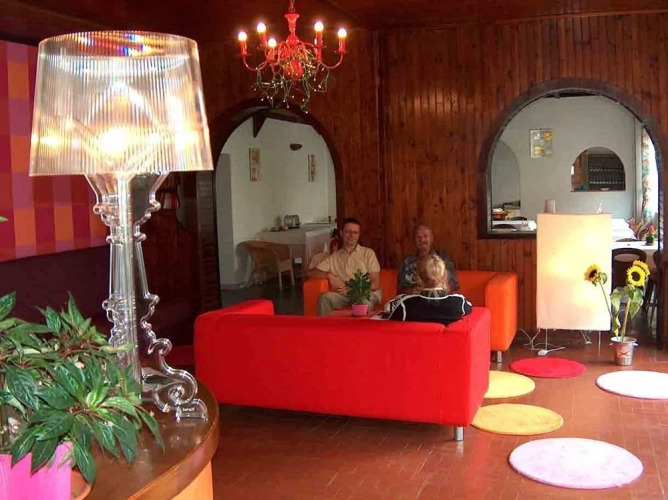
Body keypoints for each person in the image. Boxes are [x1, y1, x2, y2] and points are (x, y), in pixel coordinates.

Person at [308, 217, 382, 316]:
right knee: (324, 298)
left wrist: (352, 290)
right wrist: (329, 275)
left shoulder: (368, 253)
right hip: (344, 295)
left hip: (366, 294)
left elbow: (375, 284)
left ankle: (361, 327)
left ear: (359, 235)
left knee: (363, 302)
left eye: (355, 232)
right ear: (341, 233)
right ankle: (326, 326)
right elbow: (310, 272)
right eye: (348, 232)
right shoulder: (334, 257)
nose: (351, 235)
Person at [387, 254, 472, 326]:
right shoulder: (459, 302)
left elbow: (390, 324)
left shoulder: (405, 305)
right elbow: (470, 310)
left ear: (418, 279)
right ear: (445, 277)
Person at [397, 223, 459, 294]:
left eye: (425, 236)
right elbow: (400, 290)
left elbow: (454, 285)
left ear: (431, 238)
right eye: (418, 237)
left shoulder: (443, 259)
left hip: (439, 298)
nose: (422, 240)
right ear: (414, 240)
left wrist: (437, 290)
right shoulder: (406, 262)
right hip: (415, 298)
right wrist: (410, 291)